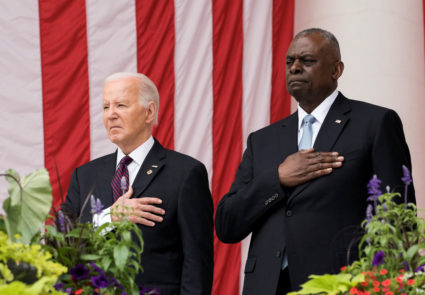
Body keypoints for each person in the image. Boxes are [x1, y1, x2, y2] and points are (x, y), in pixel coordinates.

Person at [215, 28, 415, 294]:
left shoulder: (375, 123)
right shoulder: (262, 140)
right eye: (290, 62)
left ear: (336, 70)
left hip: (342, 283)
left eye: (307, 61)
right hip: (267, 286)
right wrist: (277, 179)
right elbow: (227, 225)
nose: (295, 68)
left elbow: (399, 219)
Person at [63, 72, 214, 295]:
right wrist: (110, 217)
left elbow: (197, 263)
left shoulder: (186, 173)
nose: (111, 115)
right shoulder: (84, 176)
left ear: (149, 112)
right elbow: (63, 242)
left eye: (121, 105)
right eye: (106, 107)